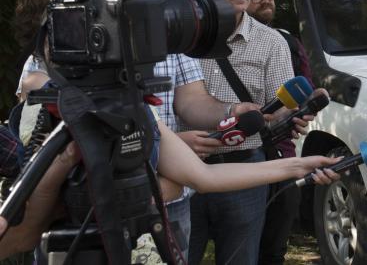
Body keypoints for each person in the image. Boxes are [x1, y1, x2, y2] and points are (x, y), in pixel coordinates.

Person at [14, 0, 254, 258]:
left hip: (169, 206)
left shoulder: (172, 26)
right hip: (84, 215)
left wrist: (231, 111)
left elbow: (193, 101)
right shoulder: (67, 34)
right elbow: (42, 108)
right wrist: (154, 143)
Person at [0, 112, 342, 262]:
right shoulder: (43, 111)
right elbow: (19, 236)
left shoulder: (136, 113)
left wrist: (297, 165)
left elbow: (203, 178)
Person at [188, 0, 299, 265]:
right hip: (184, 169)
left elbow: (281, 109)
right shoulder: (181, 37)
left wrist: (292, 115)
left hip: (244, 171)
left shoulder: (272, 42)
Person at [247, 0, 309, 265]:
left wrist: (304, 110)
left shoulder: (288, 42)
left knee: (273, 247)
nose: (267, 1)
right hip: (242, 159)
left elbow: (305, 91)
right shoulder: (216, 47)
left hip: (281, 156)